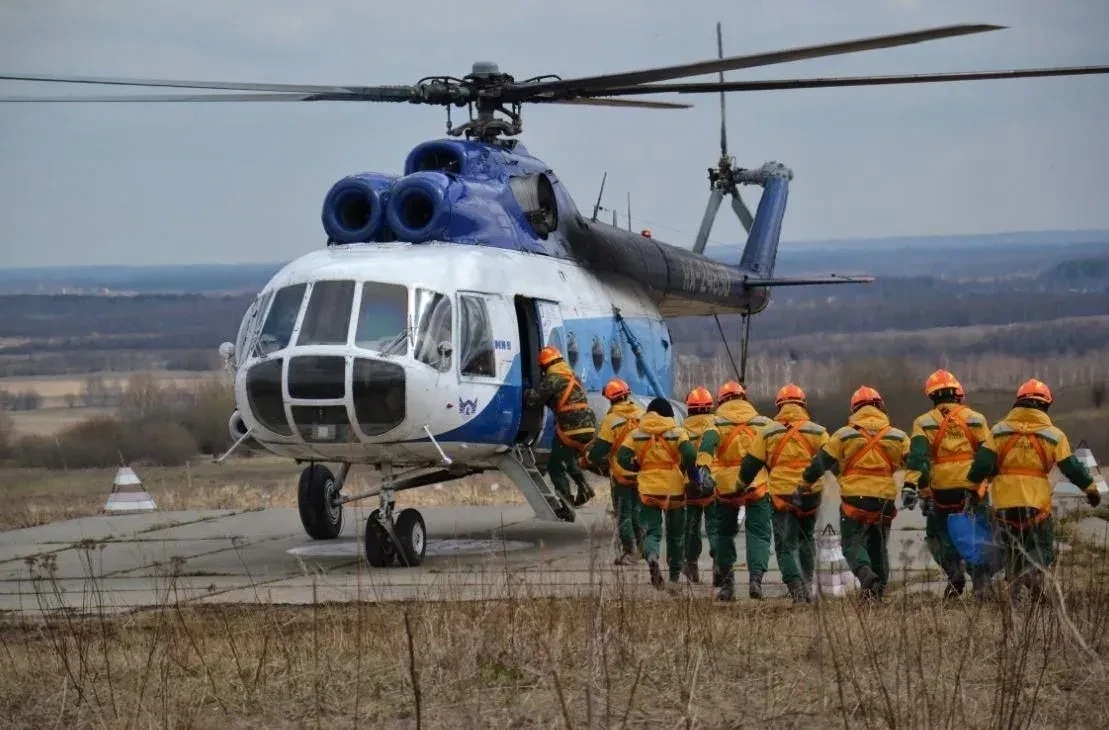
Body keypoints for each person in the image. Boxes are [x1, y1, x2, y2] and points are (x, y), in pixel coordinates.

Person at [966, 378, 1098, 603]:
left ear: (1018, 402)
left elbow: (982, 464)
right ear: (1045, 405)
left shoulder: (998, 431)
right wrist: (1090, 489)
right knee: (1041, 547)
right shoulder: (1055, 435)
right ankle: (1032, 574)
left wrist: (971, 489)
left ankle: (1013, 598)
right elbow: (1071, 467)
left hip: (1004, 504)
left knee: (1011, 549)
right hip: (1037, 505)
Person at [799, 385, 918, 602]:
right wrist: (910, 486)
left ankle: (866, 577)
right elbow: (916, 464)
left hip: (854, 501)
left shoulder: (844, 435)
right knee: (878, 548)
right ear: (880, 407)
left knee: (852, 545)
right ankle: (876, 594)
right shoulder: (898, 436)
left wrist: (805, 484)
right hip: (884, 501)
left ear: (854, 409)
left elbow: (821, 462)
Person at [905, 369, 994, 599]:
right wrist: (983, 481)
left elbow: (917, 457)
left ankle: (954, 571)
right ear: (958, 394)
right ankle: (981, 581)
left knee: (938, 533)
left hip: (942, 490)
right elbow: (988, 454)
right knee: (977, 532)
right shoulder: (976, 419)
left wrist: (911, 486)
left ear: (932, 396)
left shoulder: (923, 422)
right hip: (972, 487)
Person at [736, 383, 828, 603]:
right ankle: (807, 583)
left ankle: (797, 588)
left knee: (786, 544)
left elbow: (750, 464)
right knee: (807, 538)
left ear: (779, 406)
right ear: (803, 405)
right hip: (811, 494)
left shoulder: (768, 432)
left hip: (782, 496)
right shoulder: (818, 431)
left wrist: (741, 484)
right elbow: (830, 458)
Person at [693, 381, 772, 601]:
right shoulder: (763, 422)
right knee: (759, 533)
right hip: (756, 484)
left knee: (724, 535)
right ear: (744, 398)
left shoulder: (715, 422)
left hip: (726, 487)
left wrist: (703, 472)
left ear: (721, 401)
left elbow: (706, 448)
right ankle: (756, 579)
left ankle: (727, 585)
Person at [616, 397, 703, 589]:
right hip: (674, 489)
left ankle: (652, 556)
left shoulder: (636, 433)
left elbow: (622, 457)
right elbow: (690, 455)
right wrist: (694, 478)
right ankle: (674, 578)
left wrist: (636, 466)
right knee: (676, 535)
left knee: (651, 531)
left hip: (649, 490)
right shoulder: (677, 432)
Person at [582, 377, 645, 565]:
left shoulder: (611, 420)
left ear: (610, 399)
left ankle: (629, 553)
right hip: (641, 472)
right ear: (627, 395)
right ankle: (643, 550)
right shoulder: (642, 415)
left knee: (624, 514)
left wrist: (587, 459)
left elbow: (601, 448)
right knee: (638, 512)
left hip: (621, 475)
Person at [525, 346, 597, 508]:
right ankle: (584, 487)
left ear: (545, 365)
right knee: (568, 459)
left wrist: (525, 391)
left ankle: (566, 503)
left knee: (555, 466)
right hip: (588, 425)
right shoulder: (573, 376)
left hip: (571, 427)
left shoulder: (552, 379)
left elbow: (533, 400)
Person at [679, 386, 719, 584]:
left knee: (691, 528)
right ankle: (719, 564)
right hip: (712, 484)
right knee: (715, 526)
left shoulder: (681, 429)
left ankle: (691, 565)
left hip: (690, 486)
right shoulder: (716, 426)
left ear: (689, 408)